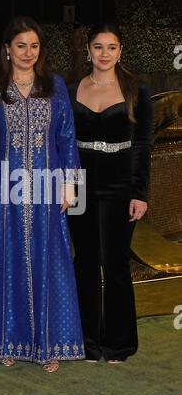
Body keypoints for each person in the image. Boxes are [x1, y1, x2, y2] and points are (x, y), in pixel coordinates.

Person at [0, 16, 84, 373]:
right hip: (2, 190)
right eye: (20, 46)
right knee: (4, 261)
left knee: (49, 262)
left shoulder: (55, 86)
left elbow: (66, 137)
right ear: (7, 50)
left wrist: (71, 183)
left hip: (47, 189)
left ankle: (48, 344)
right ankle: (6, 339)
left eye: (34, 46)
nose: (27, 53)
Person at [68, 23, 152, 363]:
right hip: (80, 184)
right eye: (99, 47)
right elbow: (63, 142)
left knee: (114, 262)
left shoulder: (136, 90)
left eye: (112, 47)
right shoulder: (71, 89)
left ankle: (118, 344)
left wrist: (140, 193)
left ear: (120, 51)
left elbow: (143, 144)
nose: (105, 54)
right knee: (84, 261)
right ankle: (86, 341)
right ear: (88, 51)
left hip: (120, 184)